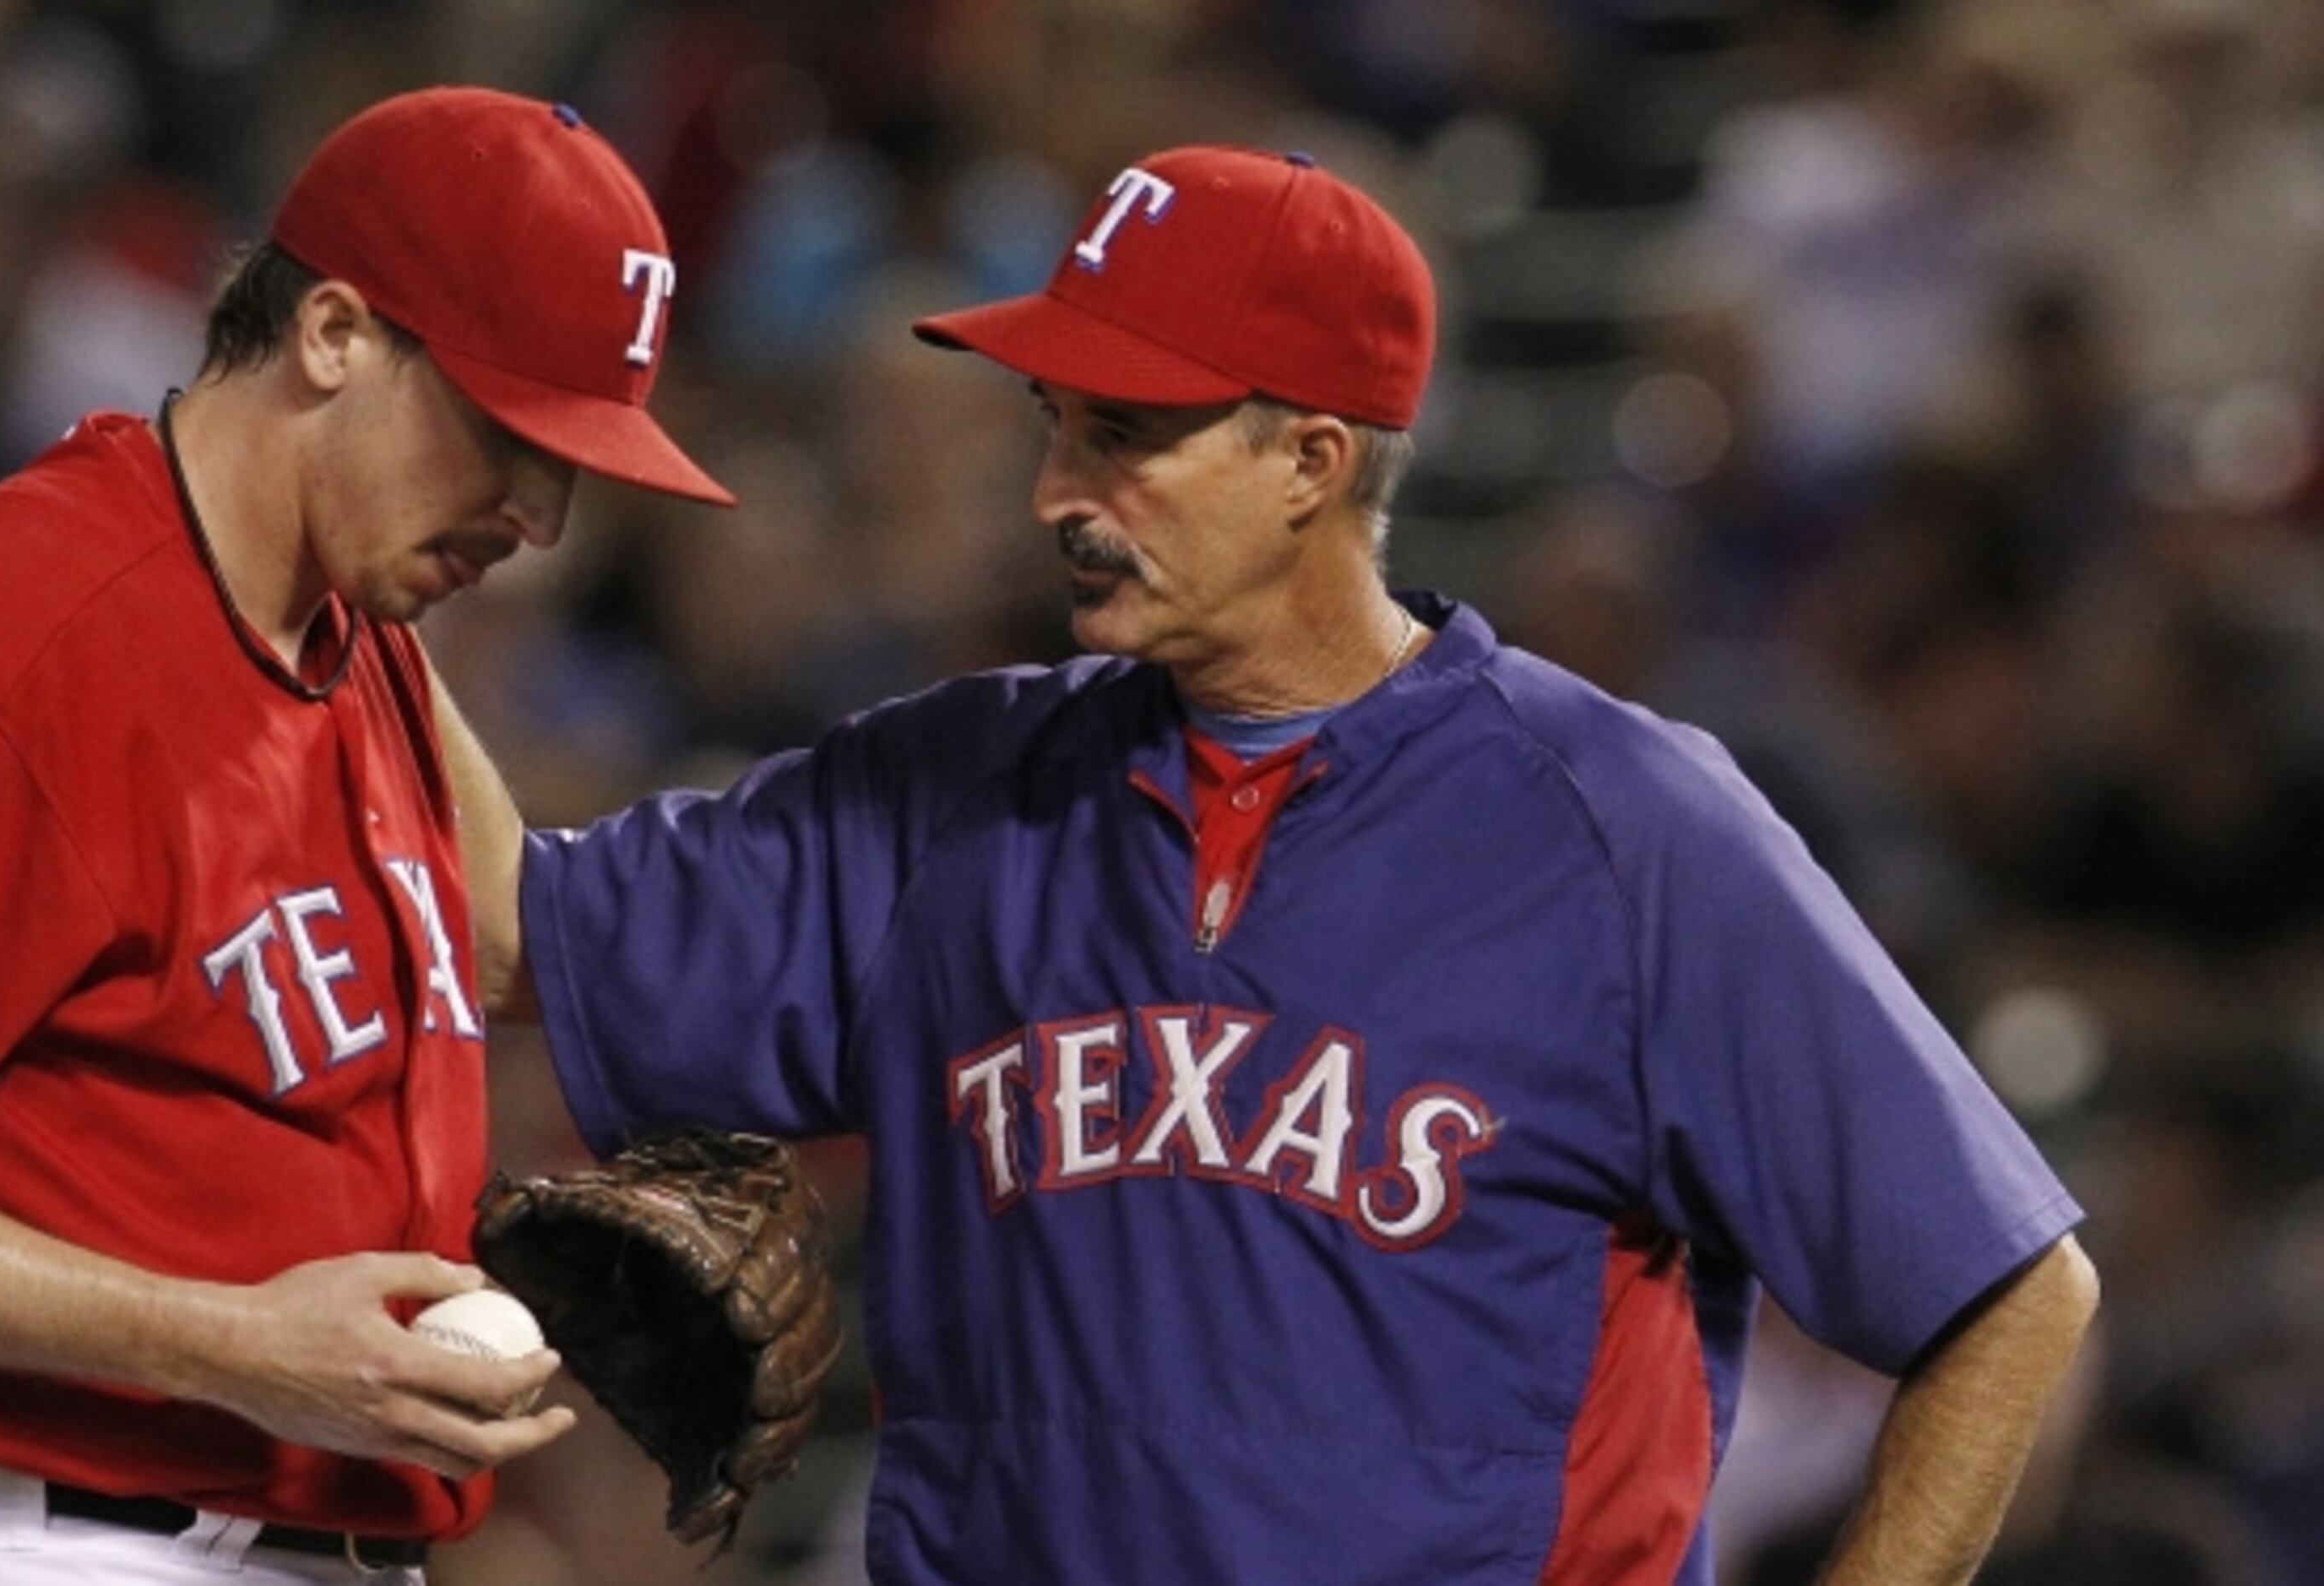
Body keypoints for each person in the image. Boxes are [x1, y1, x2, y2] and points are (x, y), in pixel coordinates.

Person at [484, 144, 2101, 1583]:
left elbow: (2010, 1298)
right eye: (1056, 426)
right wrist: (280, 547)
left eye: (1126, 437)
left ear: (1313, 463)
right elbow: (498, 927)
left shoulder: (1623, 826)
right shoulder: (947, 794)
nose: (1060, 492)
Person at [0, 84, 733, 1584]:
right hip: (69, 1539)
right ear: (333, 333)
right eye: (503, 429)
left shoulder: (355, 627)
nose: (540, 513)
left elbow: (509, 938)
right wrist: (215, 1340)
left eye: (576, 457)